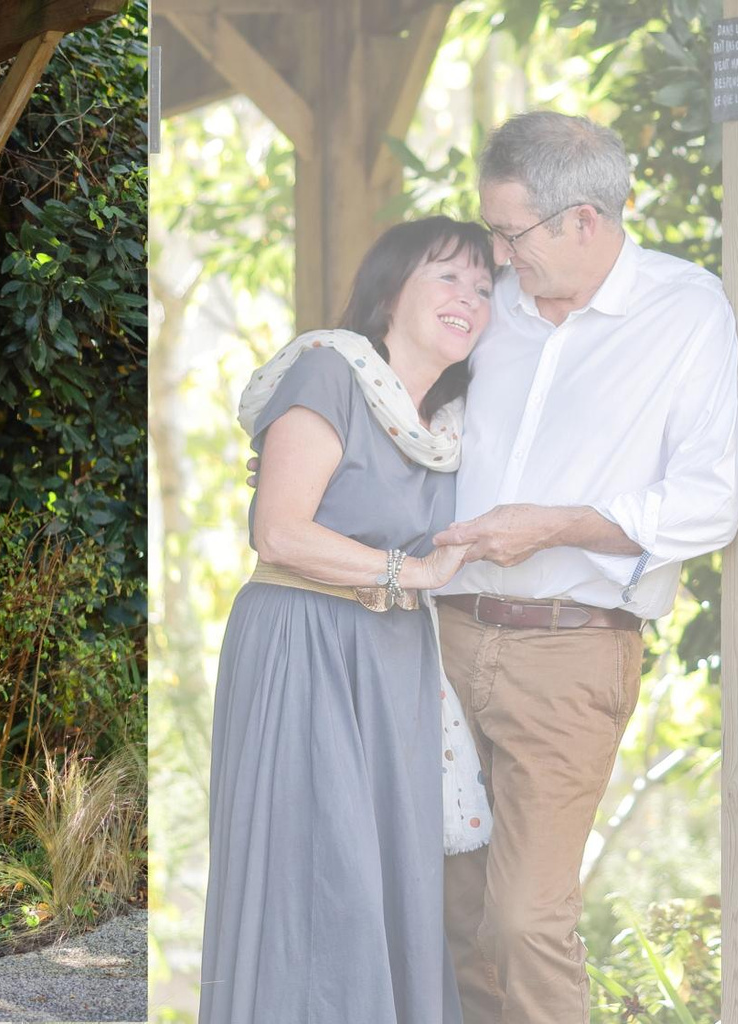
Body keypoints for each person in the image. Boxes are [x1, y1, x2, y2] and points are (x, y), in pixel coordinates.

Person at [433, 110, 738, 1024]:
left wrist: (555, 526)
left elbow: (710, 501)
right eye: (492, 229)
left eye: (512, 232)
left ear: (586, 220)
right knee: (454, 916)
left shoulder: (686, 311)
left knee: (524, 922)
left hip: (571, 653)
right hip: (441, 642)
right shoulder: (486, 304)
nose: (497, 253)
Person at [202, 216, 495, 1023]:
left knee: (392, 878)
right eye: (447, 276)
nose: (468, 298)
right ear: (390, 290)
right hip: (305, 641)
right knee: (320, 877)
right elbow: (279, 531)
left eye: (482, 287)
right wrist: (412, 572)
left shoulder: (451, 428)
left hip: (395, 660)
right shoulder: (330, 370)